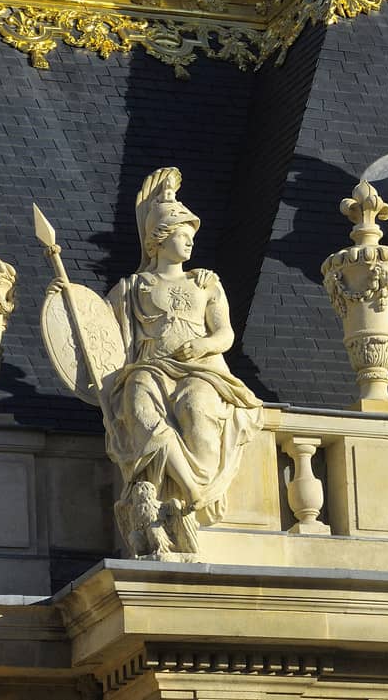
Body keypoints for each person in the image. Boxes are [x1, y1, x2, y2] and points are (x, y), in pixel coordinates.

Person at [104, 167, 263, 532]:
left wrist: (204, 344)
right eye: (182, 234)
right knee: (139, 404)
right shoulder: (133, 287)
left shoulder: (205, 283)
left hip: (202, 371)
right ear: (158, 240)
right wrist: (66, 301)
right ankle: (189, 491)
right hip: (151, 369)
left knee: (197, 406)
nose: (190, 241)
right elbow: (100, 331)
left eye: (191, 235)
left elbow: (225, 335)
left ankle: (198, 484)